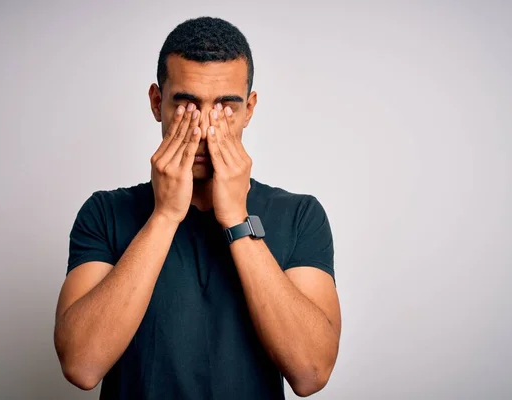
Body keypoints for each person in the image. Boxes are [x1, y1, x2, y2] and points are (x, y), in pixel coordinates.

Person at [54, 16, 341, 400]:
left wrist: (237, 220)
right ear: (157, 103)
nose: (205, 129)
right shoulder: (105, 212)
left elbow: (311, 373)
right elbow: (81, 365)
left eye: (226, 108)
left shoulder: (300, 215)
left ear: (250, 109)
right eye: (187, 105)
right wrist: (164, 216)